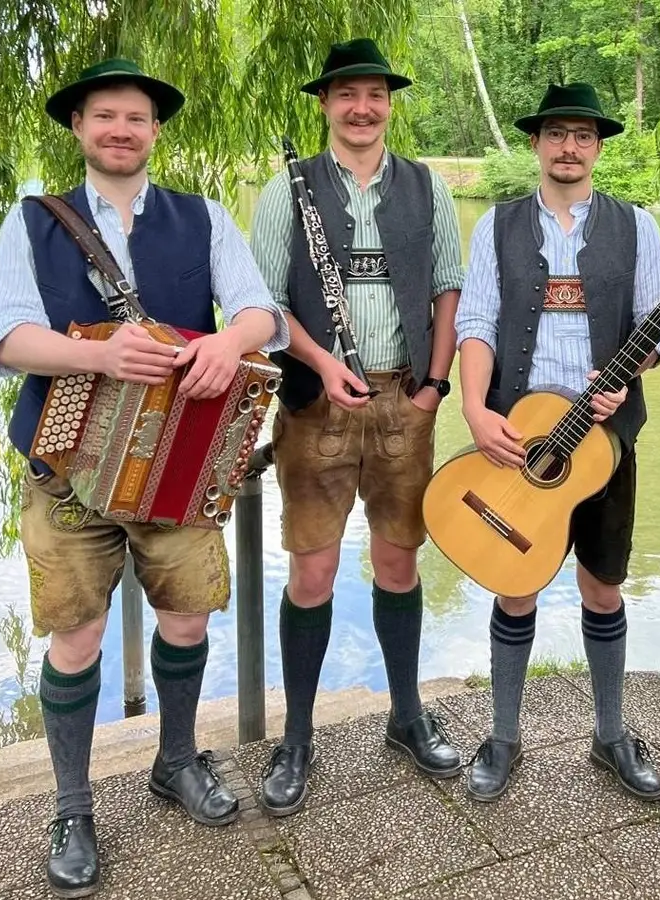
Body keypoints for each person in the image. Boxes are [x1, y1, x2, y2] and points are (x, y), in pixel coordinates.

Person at [0, 58, 289, 897]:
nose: (121, 129)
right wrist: (96, 352)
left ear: (155, 133)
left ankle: (176, 760)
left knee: (186, 619)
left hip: (179, 470)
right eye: (104, 116)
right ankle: (74, 807)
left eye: (137, 118)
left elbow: (265, 313)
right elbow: (5, 338)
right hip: (67, 469)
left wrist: (231, 342)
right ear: (78, 128)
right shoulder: (32, 223)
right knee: (76, 635)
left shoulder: (202, 216)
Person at [248, 37, 466, 817]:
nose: (362, 107)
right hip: (317, 405)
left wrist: (436, 386)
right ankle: (297, 737)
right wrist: (318, 358)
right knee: (310, 572)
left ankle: (406, 716)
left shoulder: (426, 187)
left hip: (406, 397)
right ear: (326, 104)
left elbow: (449, 291)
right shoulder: (289, 189)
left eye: (374, 94)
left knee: (399, 566)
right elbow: (264, 305)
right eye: (347, 95)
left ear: (388, 103)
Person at [453, 82, 660, 803]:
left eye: (582, 135)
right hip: (518, 436)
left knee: (602, 586)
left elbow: (656, 327)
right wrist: (478, 412)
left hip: (605, 440)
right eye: (556, 134)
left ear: (598, 147)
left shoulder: (638, 226)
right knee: (514, 585)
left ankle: (609, 737)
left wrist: (628, 372)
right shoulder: (498, 226)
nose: (569, 147)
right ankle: (505, 737)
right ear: (537, 144)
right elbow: (476, 322)